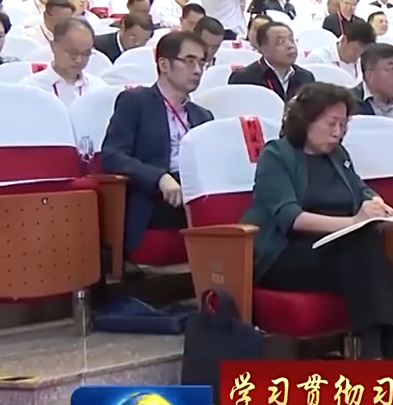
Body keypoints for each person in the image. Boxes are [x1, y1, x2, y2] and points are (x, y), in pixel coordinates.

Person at [243, 83, 393, 360]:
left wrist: (378, 207)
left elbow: (360, 190)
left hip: (338, 250)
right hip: (286, 254)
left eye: (343, 125)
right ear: (306, 120)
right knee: (367, 253)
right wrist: (354, 222)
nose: (338, 132)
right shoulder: (276, 154)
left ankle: (374, 352)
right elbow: (291, 218)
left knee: (367, 251)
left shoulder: (338, 155)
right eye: (331, 123)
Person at [100, 32, 213, 257]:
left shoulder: (203, 115)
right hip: (156, 197)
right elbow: (112, 155)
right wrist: (159, 178)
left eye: (202, 63)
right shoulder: (136, 102)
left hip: (195, 195)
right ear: (164, 65)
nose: (198, 70)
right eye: (189, 61)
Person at [23, 17, 110, 106]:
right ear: (54, 47)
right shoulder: (31, 88)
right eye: (73, 53)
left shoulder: (98, 88)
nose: (79, 60)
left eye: (86, 54)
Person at [228, 21, 316, 100]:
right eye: (281, 42)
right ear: (263, 49)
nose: (290, 46)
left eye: (292, 40)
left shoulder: (306, 77)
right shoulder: (243, 78)